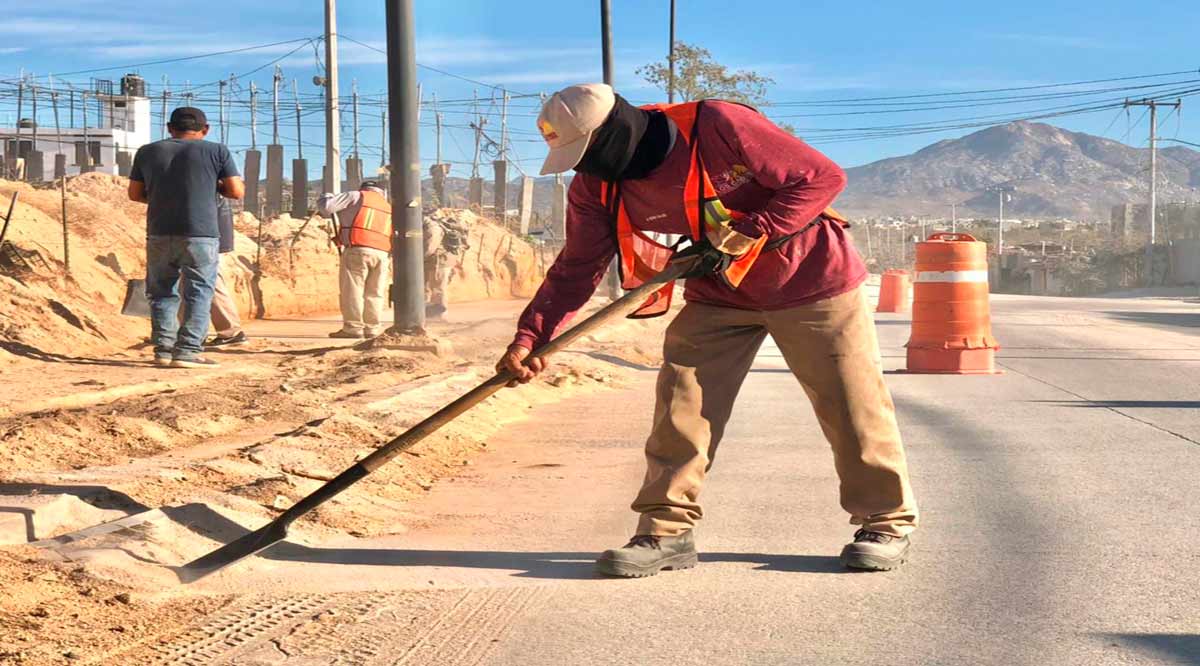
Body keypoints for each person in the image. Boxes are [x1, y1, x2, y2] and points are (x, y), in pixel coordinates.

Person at [496, 84, 919, 576]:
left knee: (850, 402)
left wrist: (752, 231)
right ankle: (665, 532)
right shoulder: (596, 186)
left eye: (588, 152)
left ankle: (886, 522)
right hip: (719, 291)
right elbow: (577, 266)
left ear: (617, 133)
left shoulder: (716, 126)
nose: (583, 167)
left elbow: (822, 178)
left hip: (809, 278)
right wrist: (531, 336)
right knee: (682, 401)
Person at [128, 106, 244, 368]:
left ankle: (164, 350)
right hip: (200, 233)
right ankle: (189, 351)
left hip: (159, 231)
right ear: (205, 129)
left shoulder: (147, 151)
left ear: (170, 128)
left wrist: (160, 198)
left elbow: (134, 194)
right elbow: (236, 191)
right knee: (199, 293)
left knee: (161, 292)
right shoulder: (217, 151)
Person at [319, 180, 391, 338]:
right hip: (382, 253)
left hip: (358, 250)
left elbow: (326, 208)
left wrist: (326, 197)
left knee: (353, 291)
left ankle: (353, 328)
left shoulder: (356, 196)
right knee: (375, 293)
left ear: (364, 188)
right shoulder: (387, 205)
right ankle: (372, 328)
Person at [206, 194, 248, 346]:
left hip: (208, 239)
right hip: (210, 239)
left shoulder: (210, 185)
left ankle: (231, 331)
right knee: (207, 282)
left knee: (211, 282)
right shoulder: (212, 182)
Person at [422, 211, 471, 320]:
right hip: (435, 260)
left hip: (439, 261)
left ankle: (440, 316)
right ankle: (427, 315)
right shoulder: (432, 225)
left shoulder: (433, 227)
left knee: (438, 288)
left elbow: (430, 247)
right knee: (428, 288)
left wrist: (418, 259)